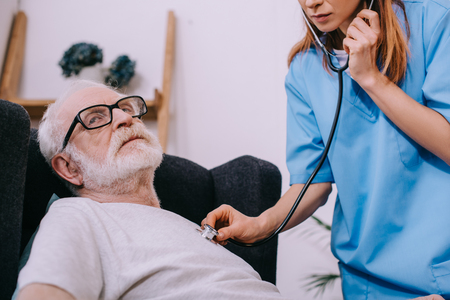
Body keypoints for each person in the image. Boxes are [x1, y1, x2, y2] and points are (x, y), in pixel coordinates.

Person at [203, 0, 450, 299]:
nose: (310, 2)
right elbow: (313, 182)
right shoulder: (305, 67)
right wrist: (260, 225)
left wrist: (372, 79)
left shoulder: (435, 21)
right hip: (368, 283)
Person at [16, 80, 289, 300]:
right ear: (69, 168)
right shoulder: (76, 215)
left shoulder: (188, 224)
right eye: (96, 118)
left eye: (126, 108)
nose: (125, 118)